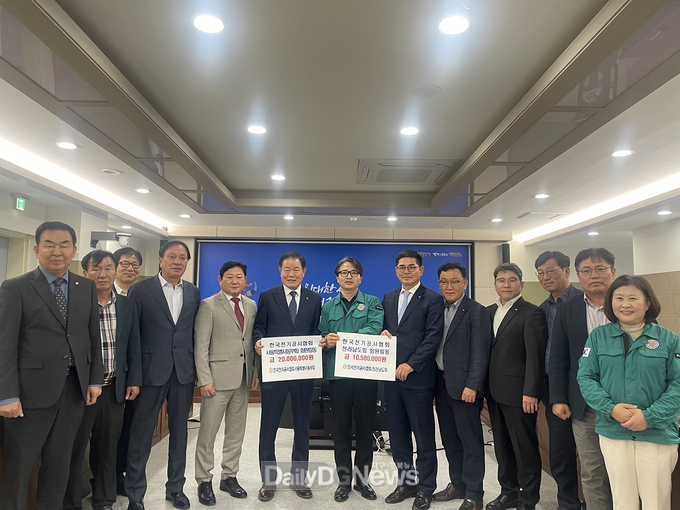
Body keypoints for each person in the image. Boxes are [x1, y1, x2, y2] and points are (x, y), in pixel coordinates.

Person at [0, 221, 103, 510]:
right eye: (49, 245)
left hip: (73, 393)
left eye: (64, 245)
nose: (57, 251)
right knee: (19, 469)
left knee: (59, 467)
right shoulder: (16, 287)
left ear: (74, 250)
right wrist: (7, 395)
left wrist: (94, 380)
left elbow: (91, 337)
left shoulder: (85, 286)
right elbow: (4, 345)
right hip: (28, 396)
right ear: (36, 249)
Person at [578, 275, 680, 510]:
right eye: (619, 298)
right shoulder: (598, 337)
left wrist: (649, 416)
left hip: (657, 433)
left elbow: (677, 384)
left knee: (656, 502)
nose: (625, 304)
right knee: (622, 501)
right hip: (614, 431)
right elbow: (586, 378)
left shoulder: (668, 339)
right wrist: (611, 409)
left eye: (633, 298)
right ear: (610, 303)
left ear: (647, 302)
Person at [125, 240, 201, 510]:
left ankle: (176, 489)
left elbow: (193, 333)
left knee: (179, 434)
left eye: (182, 258)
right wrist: (134, 376)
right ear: (160, 260)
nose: (177, 261)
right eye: (172, 256)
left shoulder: (193, 292)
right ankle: (135, 494)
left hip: (183, 372)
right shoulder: (140, 289)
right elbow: (132, 336)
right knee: (141, 434)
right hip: (149, 373)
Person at [63, 250, 142, 510]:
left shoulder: (127, 305)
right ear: (84, 273)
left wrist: (134, 379)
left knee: (108, 447)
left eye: (108, 268)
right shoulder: (74, 304)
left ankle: (104, 499)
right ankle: (70, 501)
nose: (103, 274)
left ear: (115, 272)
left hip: (113, 388)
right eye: (96, 269)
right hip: (79, 389)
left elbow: (133, 345)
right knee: (75, 448)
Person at [253, 252, 323, 502]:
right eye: (287, 269)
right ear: (280, 271)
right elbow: (259, 326)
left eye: (296, 270)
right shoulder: (267, 296)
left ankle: (299, 478)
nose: (291, 274)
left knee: (302, 426)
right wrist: (258, 341)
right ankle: (268, 480)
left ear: (304, 272)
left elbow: (316, 329)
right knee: (269, 426)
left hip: (303, 373)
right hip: (275, 371)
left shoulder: (315, 299)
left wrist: (318, 341)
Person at [550, 248, 616, 510]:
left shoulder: (629, 303)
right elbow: (558, 357)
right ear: (578, 275)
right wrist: (558, 398)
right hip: (584, 406)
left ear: (613, 271)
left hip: (625, 403)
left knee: (622, 471)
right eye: (586, 270)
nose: (594, 275)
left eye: (600, 269)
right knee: (592, 472)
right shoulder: (568, 309)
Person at [381, 249, 444, 510]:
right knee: (398, 437)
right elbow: (385, 328)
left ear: (421, 270)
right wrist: (381, 334)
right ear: (396, 271)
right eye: (402, 267)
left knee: (423, 436)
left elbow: (433, 337)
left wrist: (411, 364)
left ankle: (426, 488)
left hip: (418, 378)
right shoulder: (388, 297)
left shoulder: (433, 299)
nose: (406, 271)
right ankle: (406, 483)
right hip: (390, 378)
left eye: (411, 267)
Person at [318, 257, 384, 503]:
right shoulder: (328, 306)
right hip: (338, 377)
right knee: (341, 430)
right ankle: (344, 481)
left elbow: (374, 329)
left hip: (365, 376)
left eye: (353, 272)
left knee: (365, 430)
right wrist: (326, 340)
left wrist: (342, 338)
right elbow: (322, 334)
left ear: (360, 277)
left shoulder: (373, 303)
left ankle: (362, 481)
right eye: (344, 272)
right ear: (337, 277)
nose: (349, 276)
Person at [193, 261, 259, 506]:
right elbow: (201, 345)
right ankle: (204, 480)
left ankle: (229, 476)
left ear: (245, 281)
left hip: (242, 379)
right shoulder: (208, 305)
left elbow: (250, 342)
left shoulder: (251, 305)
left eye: (239, 277)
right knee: (208, 433)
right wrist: (205, 379)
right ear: (220, 279)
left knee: (236, 433)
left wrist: (254, 372)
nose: (234, 281)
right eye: (229, 276)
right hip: (216, 380)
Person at [486, 263, 547, 510]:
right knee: (502, 447)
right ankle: (508, 492)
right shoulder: (489, 311)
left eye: (512, 280)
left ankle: (528, 498)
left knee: (524, 449)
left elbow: (535, 357)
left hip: (520, 394)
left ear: (521, 284)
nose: (506, 285)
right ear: (495, 285)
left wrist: (531, 391)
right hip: (493, 392)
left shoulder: (532, 313)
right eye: (501, 280)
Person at [432, 262, 491, 510]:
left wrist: (473, 385)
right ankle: (458, 484)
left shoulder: (476, 311)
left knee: (471, 443)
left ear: (465, 283)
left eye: (455, 281)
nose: (449, 286)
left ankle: (475, 494)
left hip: (465, 389)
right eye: (444, 282)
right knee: (450, 440)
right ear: (439, 284)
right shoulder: (437, 308)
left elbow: (480, 352)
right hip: (441, 385)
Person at [534, 251, 582, 510]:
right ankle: (568, 503)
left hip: (584, 389)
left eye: (550, 271)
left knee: (592, 454)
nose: (545, 277)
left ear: (567, 271)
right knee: (560, 453)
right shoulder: (542, 309)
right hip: (553, 390)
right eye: (540, 273)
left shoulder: (583, 302)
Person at [114, 246, 143, 495]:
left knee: (127, 429)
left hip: (130, 376)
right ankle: (105, 479)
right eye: (124, 263)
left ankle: (118, 475)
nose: (130, 268)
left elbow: (136, 341)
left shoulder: (137, 296)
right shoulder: (100, 293)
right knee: (106, 432)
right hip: (104, 377)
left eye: (134, 265)